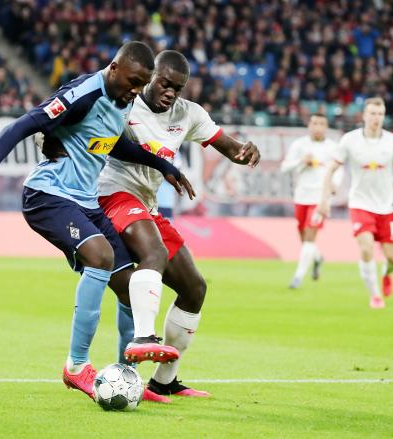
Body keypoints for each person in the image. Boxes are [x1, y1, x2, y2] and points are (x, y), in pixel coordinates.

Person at [0, 42, 194, 400]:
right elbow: (20, 126)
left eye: (142, 84)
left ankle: (127, 378)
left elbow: (116, 145)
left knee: (129, 284)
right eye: (132, 81)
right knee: (100, 255)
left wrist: (165, 166)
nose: (136, 90)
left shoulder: (122, 101)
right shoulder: (83, 94)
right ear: (113, 68)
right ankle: (76, 366)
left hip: (84, 202)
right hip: (48, 196)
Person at [96, 50, 260, 399]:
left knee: (195, 288)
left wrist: (244, 151)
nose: (170, 92)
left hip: (147, 206)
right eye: (164, 84)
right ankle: (143, 337)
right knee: (153, 251)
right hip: (113, 195)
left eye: (178, 88)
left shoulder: (188, 114)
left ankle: (164, 380)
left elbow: (226, 146)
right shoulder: (126, 100)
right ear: (151, 77)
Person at [318, 97, 393, 309]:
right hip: (360, 204)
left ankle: (387, 273)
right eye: (373, 113)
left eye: (380, 114)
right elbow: (332, 168)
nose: (377, 118)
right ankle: (375, 295)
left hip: (387, 206)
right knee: (366, 248)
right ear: (364, 116)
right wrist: (324, 198)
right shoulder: (350, 140)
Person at [281, 113, 341, 289]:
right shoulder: (299, 145)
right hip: (301, 196)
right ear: (309, 125)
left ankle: (297, 278)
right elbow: (284, 168)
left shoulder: (332, 147)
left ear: (326, 127)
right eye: (314, 123)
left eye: (321, 124)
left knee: (309, 236)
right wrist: (301, 161)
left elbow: (339, 170)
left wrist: (334, 185)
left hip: (320, 198)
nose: (318, 127)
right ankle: (317, 257)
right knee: (304, 237)